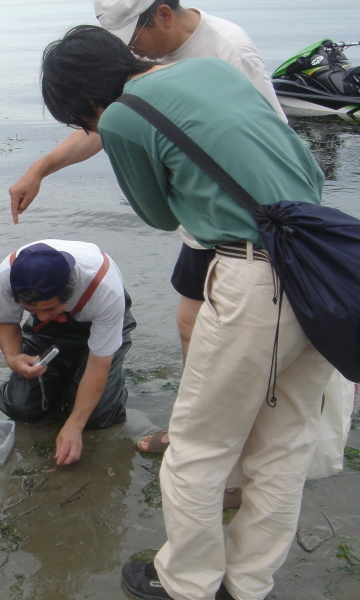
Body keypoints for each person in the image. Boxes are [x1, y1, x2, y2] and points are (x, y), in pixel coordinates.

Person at [40, 26, 334, 600]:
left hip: (254, 276)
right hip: (322, 262)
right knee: (282, 446)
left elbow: (154, 213)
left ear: (88, 103)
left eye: (82, 121)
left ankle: (186, 585)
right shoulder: (213, 70)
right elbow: (304, 164)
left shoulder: (121, 117)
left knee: (199, 447)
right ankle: (248, 585)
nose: (90, 129)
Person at [8, 0, 287, 451]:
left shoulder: (226, 52)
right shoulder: (145, 73)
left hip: (250, 228)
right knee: (190, 326)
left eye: (130, 42)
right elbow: (110, 117)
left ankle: (216, 441)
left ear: (161, 14)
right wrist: (42, 166)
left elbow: (270, 138)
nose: (130, 53)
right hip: (205, 228)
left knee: (240, 345)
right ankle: (192, 427)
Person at [0, 240, 135, 465]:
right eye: (30, 310)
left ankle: (112, 381)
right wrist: (13, 358)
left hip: (98, 319)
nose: (42, 316)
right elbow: (5, 320)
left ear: (71, 289)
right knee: (21, 409)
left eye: (49, 308)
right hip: (48, 329)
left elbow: (98, 364)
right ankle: (65, 378)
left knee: (96, 419)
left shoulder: (105, 289)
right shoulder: (6, 276)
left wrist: (74, 426)